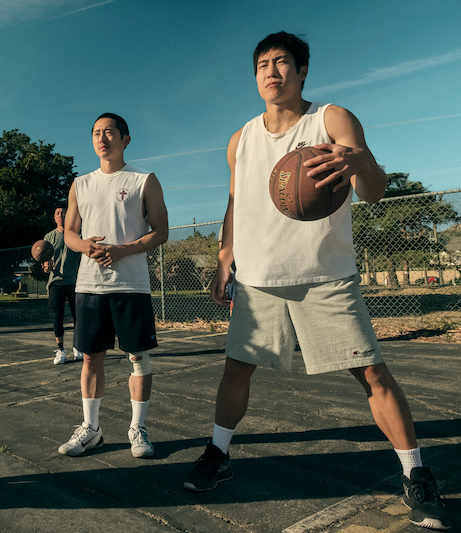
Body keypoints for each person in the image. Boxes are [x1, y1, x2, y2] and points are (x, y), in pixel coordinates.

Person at [183, 32, 449, 531]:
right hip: (259, 280)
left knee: (371, 374)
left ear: (302, 70)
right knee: (236, 371)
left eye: (281, 61)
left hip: (325, 276)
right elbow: (236, 204)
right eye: (262, 64)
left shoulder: (329, 119)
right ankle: (217, 454)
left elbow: (372, 193)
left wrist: (362, 163)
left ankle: (416, 475)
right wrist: (225, 256)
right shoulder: (241, 139)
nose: (271, 71)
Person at [59, 112, 168, 459]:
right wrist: (84, 245)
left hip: (131, 285)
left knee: (137, 357)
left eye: (109, 132)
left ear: (125, 139)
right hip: (89, 286)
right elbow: (70, 233)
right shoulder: (81, 183)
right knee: (91, 360)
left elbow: (161, 231)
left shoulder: (144, 179)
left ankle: (138, 428)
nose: (102, 138)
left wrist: (124, 250)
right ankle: (91, 429)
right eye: (95, 133)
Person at [42, 207, 82, 365]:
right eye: (57, 213)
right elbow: (45, 266)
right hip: (56, 282)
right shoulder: (49, 237)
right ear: (54, 217)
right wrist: (47, 267)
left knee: (77, 316)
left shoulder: (77, 235)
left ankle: (78, 347)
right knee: (57, 317)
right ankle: (61, 350)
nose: (60, 215)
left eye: (63, 212)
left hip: (74, 281)